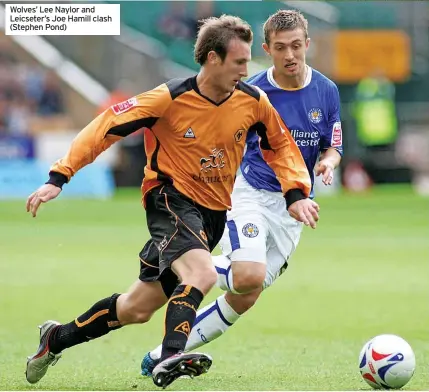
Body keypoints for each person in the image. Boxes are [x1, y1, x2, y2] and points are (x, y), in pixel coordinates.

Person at [25, 15, 319, 389]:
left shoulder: (253, 101)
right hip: (169, 200)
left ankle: (56, 339)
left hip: (211, 215)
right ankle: (169, 356)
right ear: (212, 59)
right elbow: (104, 126)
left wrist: (294, 193)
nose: (247, 70)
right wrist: (60, 176)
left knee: (136, 308)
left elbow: (281, 146)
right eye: (239, 62)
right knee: (202, 274)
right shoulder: (169, 98)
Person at [141, 10, 342, 375]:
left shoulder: (326, 90)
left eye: (297, 46)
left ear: (308, 44)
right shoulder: (253, 91)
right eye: (280, 48)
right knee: (248, 272)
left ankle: (160, 355)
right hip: (251, 193)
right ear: (267, 49)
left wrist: (328, 162)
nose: (290, 55)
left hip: (293, 206)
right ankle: (184, 261)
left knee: (246, 294)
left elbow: (333, 143)